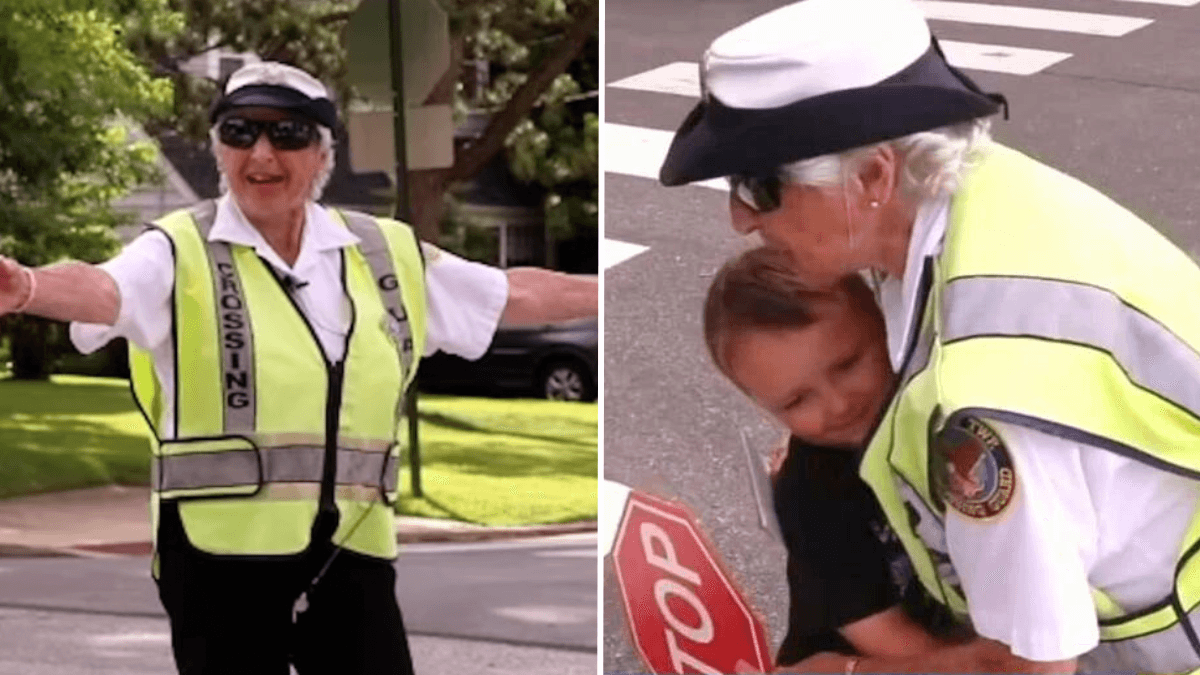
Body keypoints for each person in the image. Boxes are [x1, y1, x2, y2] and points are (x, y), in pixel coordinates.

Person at [0, 61, 597, 675]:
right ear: (217, 149)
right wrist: (26, 287)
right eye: (239, 132)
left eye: (287, 135)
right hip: (219, 558)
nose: (261, 152)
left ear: (322, 155)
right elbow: (104, 290)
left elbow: (510, 295)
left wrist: (616, 291)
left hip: (350, 554)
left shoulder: (380, 251)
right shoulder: (177, 247)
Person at [661, 0, 1200, 672]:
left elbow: (1027, 668)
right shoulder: (992, 196)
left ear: (874, 176)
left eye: (759, 185)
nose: (740, 217)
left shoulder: (983, 404)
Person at [704, 246, 964, 670]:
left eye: (847, 364)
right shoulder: (811, 494)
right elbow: (885, 637)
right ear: (764, 407)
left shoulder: (934, 412)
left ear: (884, 322)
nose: (839, 404)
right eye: (797, 400)